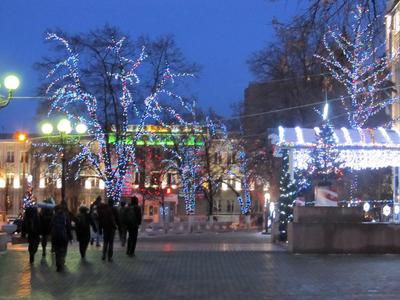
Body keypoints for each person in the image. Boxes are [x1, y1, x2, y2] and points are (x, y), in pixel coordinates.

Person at [51, 205, 72, 272]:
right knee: (63, 250)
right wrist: (70, 236)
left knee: (57, 251)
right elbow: (68, 227)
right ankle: (61, 262)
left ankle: (58, 264)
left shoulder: (54, 217)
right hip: (63, 236)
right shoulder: (65, 217)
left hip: (55, 236)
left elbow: (51, 226)